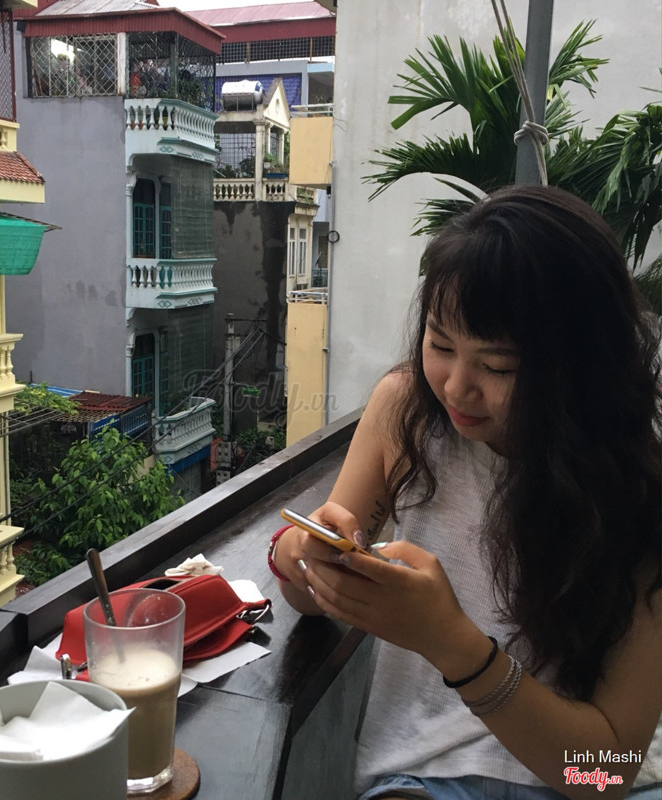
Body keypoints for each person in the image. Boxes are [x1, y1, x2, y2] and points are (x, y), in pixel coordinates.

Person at [268, 185, 662, 799]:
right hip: (421, 780)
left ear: (582, 366)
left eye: (498, 366)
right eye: (440, 344)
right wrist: (303, 556)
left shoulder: (638, 492)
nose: (456, 387)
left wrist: (451, 643)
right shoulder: (406, 414)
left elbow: (606, 776)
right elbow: (316, 591)